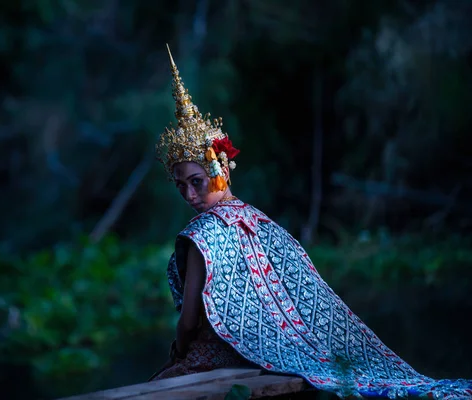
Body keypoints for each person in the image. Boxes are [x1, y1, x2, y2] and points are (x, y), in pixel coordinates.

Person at [148, 44, 472, 399]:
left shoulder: (200, 234)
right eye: (181, 187)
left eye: (197, 182)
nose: (190, 196)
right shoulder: (257, 220)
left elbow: (189, 321)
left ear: (221, 169)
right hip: (271, 355)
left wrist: (179, 350)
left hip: (221, 356)